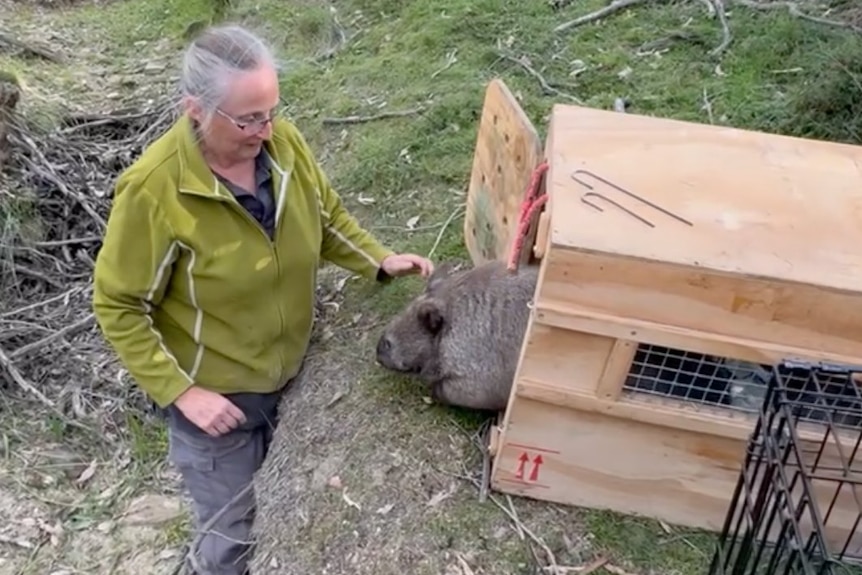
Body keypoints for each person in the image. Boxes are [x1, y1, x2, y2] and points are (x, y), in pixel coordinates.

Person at [91, 23, 434, 575]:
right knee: (231, 541)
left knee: (274, 515)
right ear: (196, 110)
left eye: (272, 110)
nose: (265, 129)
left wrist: (377, 259)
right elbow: (118, 305)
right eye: (248, 118)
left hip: (288, 376)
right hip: (218, 403)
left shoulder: (284, 146)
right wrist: (182, 392)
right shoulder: (154, 190)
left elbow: (325, 220)